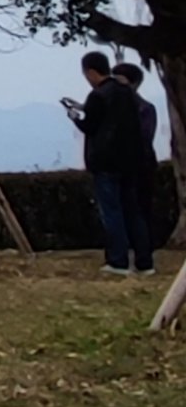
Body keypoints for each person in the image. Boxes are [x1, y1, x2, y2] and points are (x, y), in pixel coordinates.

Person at [62, 51, 153, 274]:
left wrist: (75, 116)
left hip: (105, 162)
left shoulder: (98, 95)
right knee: (133, 211)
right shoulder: (126, 93)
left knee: (112, 212)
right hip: (130, 162)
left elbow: (90, 125)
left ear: (91, 72)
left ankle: (118, 260)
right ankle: (144, 262)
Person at [114, 60, 163, 262]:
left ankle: (144, 253)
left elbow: (144, 137)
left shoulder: (144, 108)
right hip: (125, 166)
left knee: (141, 210)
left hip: (142, 166)